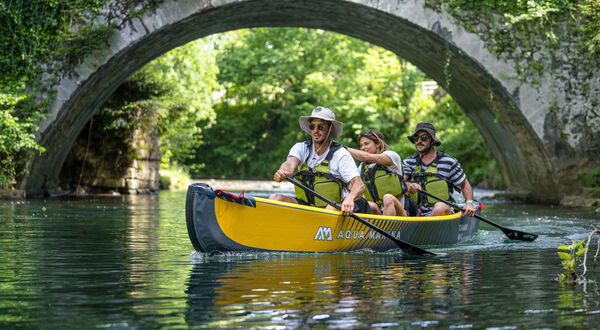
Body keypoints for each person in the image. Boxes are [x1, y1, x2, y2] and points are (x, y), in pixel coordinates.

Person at [269, 106, 369, 216]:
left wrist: (349, 199)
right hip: (309, 207)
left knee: (330, 209)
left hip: (335, 207)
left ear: (330, 128)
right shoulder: (301, 147)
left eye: (320, 127)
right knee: (276, 198)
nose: (315, 131)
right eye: (312, 126)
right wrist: (283, 171)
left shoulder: (340, 153)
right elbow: (289, 163)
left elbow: (359, 185)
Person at [403, 122, 476, 217]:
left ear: (433, 141)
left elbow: (464, 184)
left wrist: (469, 203)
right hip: (415, 213)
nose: (419, 141)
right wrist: (408, 185)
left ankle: (421, 229)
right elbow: (400, 183)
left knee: (439, 207)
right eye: (416, 138)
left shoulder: (449, 162)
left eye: (424, 138)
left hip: (442, 212)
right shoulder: (408, 162)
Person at [347, 129, 408, 217]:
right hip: (378, 214)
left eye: (366, 144)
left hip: (399, 214)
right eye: (361, 145)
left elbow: (366, 157)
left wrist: (344, 149)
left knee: (388, 198)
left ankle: (389, 230)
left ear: (378, 143)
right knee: (369, 204)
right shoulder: (362, 167)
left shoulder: (391, 156)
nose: (362, 148)